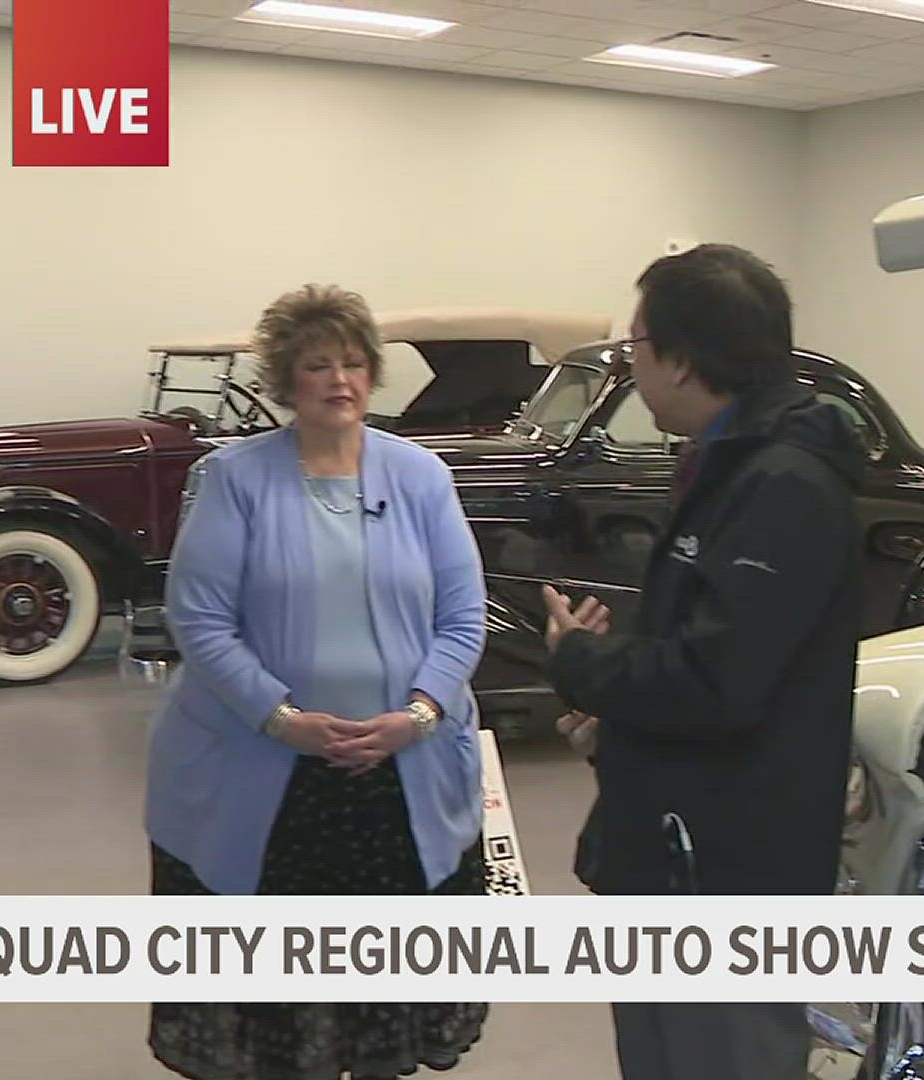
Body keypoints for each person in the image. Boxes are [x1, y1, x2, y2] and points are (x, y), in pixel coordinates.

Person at [142, 283, 491, 1080]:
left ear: (374, 375)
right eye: (317, 365)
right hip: (266, 780)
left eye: (354, 363)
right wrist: (281, 717)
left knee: (382, 997)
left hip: (398, 776)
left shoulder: (422, 477)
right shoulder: (234, 479)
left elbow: (464, 618)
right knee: (279, 1008)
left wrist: (422, 712)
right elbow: (199, 619)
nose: (340, 379)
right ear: (286, 381)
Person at [542, 243, 866, 1080]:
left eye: (639, 343)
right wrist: (614, 713)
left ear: (683, 359)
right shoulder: (726, 468)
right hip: (675, 845)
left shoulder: (782, 485)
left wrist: (582, 660)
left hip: (728, 874)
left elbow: (719, 682)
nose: (634, 361)